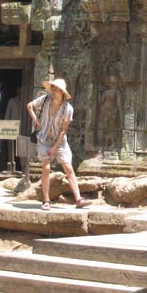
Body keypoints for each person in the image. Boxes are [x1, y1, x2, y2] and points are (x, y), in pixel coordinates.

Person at [27, 78, 91, 210]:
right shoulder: (45, 100)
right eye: (52, 89)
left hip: (60, 141)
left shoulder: (68, 109)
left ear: (62, 92)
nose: (53, 91)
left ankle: (78, 198)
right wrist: (36, 121)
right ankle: (46, 200)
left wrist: (55, 148)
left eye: (56, 89)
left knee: (68, 167)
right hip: (44, 138)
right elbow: (30, 106)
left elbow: (63, 130)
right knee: (46, 167)